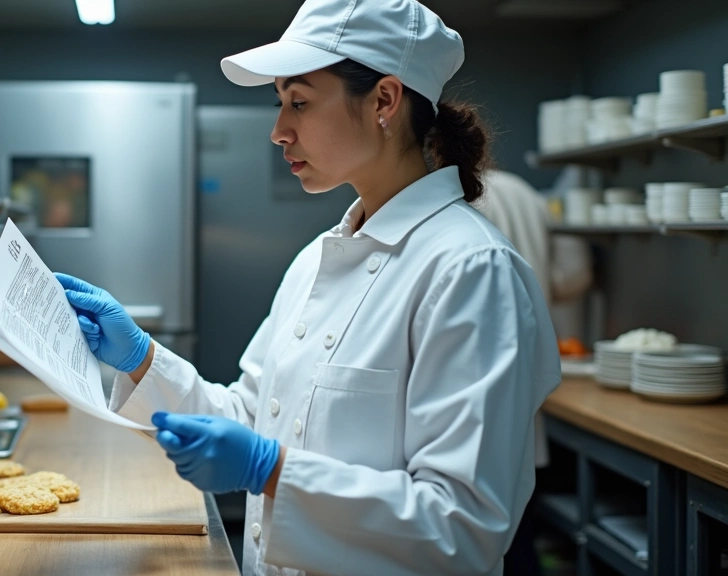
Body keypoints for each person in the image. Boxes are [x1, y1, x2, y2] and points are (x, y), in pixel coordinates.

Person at [57, 1, 561, 574]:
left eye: (298, 102)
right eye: (280, 104)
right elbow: (250, 418)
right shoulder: (316, 260)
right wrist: (144, 360)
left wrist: (270, 470)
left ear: (384, 100)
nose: (278, 131)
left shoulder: (471, 269)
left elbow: (460, 528)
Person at [478, 170, 594, 576]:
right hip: (526, 379)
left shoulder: (454, 198)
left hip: (482, 396)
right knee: (520, 526)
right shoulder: (526, 193)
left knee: (495, 540)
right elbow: (572, 278)